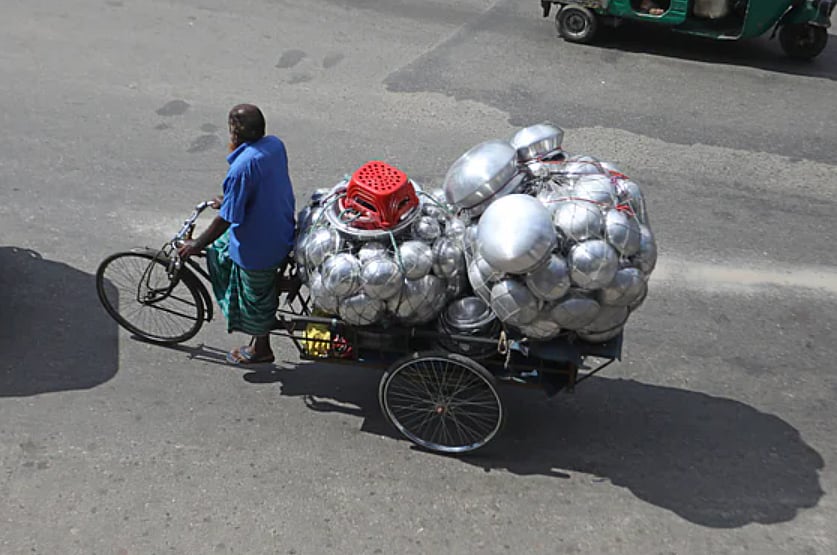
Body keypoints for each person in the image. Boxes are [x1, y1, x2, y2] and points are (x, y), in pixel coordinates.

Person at [178, 104, 296, 365]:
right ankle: (275, 286)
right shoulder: (274, 145)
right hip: (281, 224)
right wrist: (231, 199)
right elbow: (260, 187)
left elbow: (228, 219)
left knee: (254, 298)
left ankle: (261, 349)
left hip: (260, 246)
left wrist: (196, 244)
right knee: (220, 250)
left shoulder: (241, 167)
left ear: (234, 131)